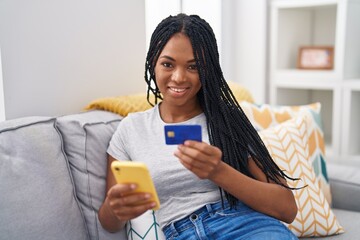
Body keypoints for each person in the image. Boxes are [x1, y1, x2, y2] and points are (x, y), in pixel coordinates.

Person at [98, 13, 299, 240]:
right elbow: (110, 224)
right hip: (181, 233)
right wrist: (115, 208)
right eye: (167, 64)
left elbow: (287, 208)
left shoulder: (228, 120)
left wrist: (218, 171)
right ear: (152, 62)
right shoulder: (131, 129)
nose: (179, 77)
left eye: (193, 67)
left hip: (245, 226)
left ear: (208, 70)